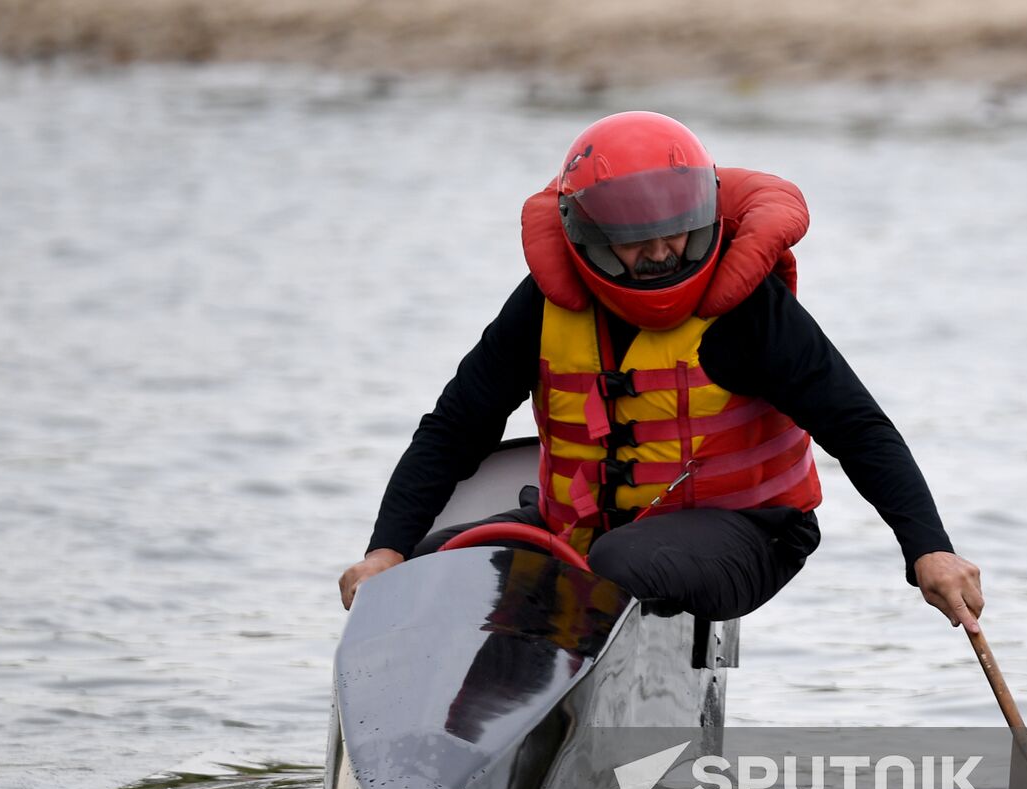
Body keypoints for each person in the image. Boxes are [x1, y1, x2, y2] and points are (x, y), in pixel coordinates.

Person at [339, 111, 983, 632]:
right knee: (425, 573)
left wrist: (928, 548)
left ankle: (577, 665)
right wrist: (386, 551)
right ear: (586, 232)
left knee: (617, 560)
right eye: (635, 237)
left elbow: (858, 427)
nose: (661, 252)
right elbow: (454, 427)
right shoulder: (542, 305)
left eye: (675, 231)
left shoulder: (750, 311)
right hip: (592, 533)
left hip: (752, 534)